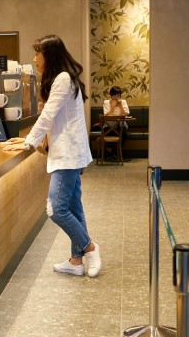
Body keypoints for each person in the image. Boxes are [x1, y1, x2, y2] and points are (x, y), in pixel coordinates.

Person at [17, 34, 101, 277]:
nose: (34, 59)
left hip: (67, 154)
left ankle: (90, 247)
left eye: (37, 53)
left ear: (49, 55)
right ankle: (76, 261)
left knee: (56, 209)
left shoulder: (62, 79)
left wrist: (28, 142)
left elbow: (48, 116)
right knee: (74, 207)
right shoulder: (62, 78)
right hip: (69, 152)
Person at [102, 86, 130, 154]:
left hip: (121, 125)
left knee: (124, 134)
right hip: (108, 126)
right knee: (109, 134)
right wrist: (113, 106)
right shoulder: (106, 102)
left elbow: (125, 114)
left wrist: (120, 106)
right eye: (114, 95)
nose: (116, 97)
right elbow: (107, 116)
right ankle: (112, 153)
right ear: (111, 95)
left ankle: (114, 153)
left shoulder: (123, 102)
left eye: (118, 95)